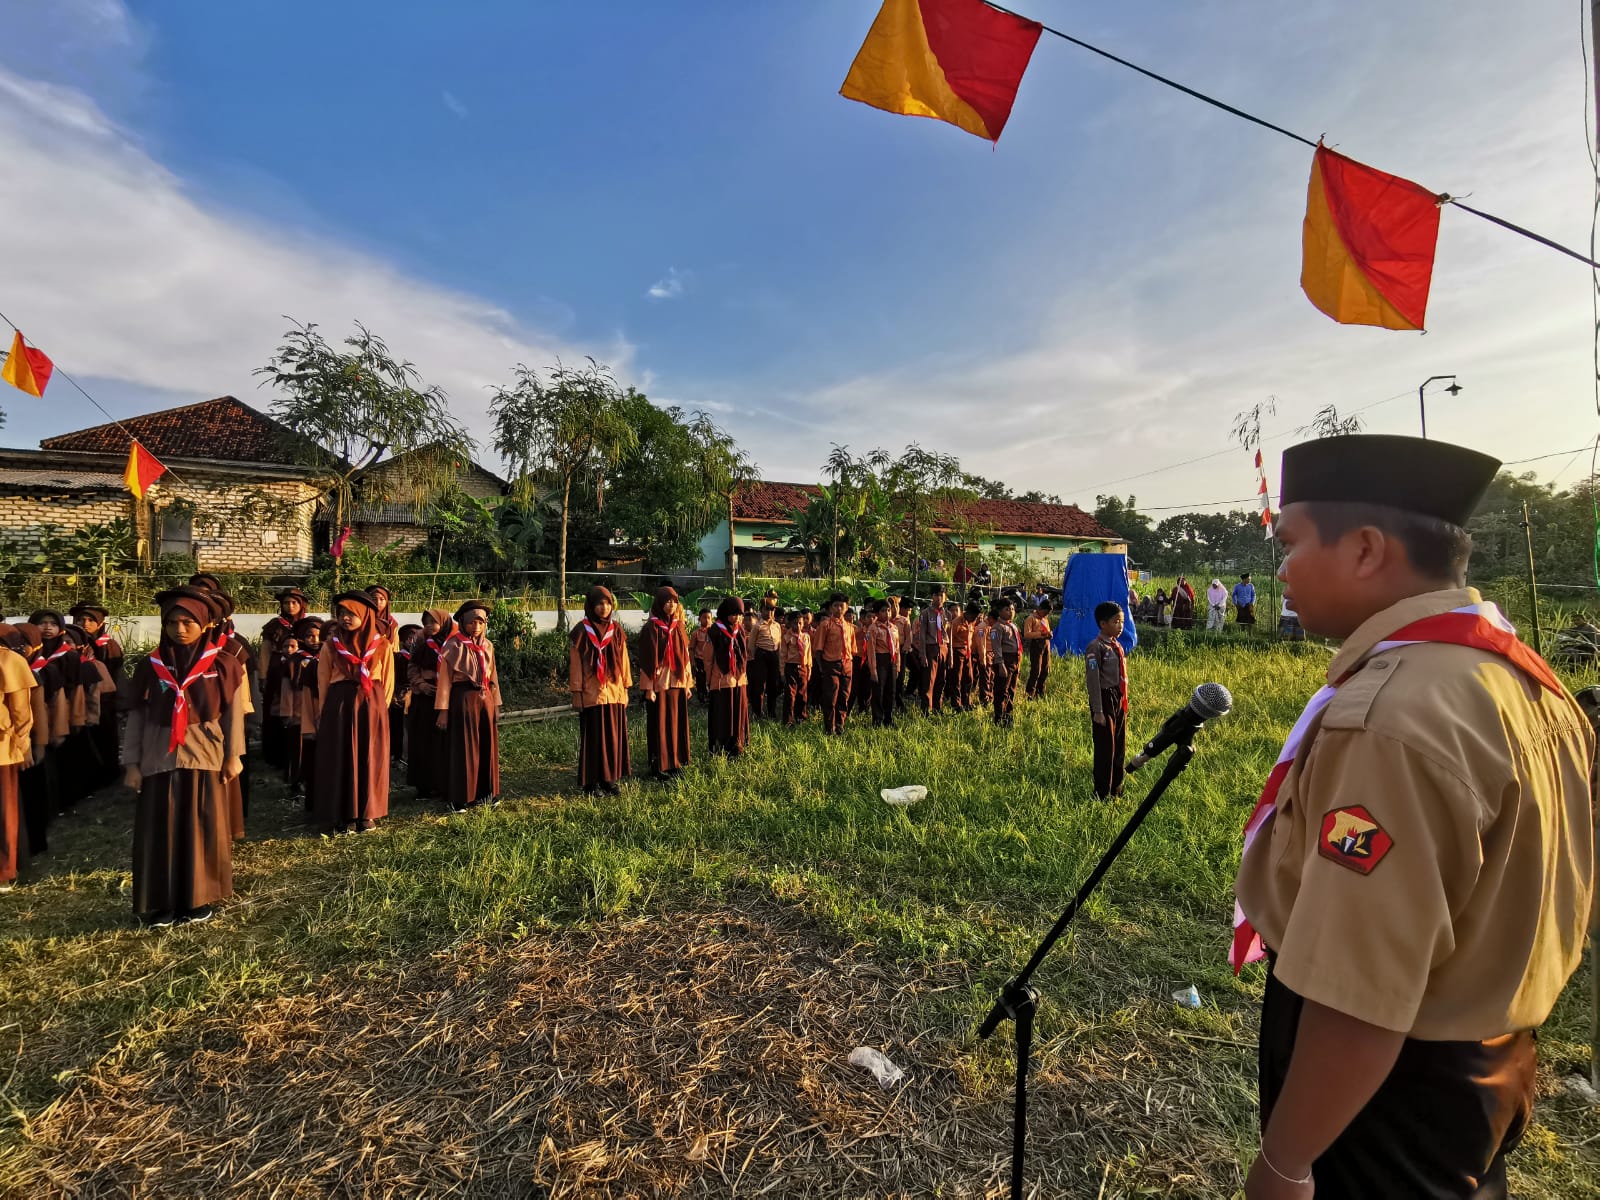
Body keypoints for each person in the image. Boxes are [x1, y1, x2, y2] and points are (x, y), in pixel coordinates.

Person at [1233, 434, 1595, 1200]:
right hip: (1489, 1062)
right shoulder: (1519, 682)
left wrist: (1285, 1162)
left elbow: (1359, 995)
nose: (1282, 569)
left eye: (1290, 543)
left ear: (1366, 549)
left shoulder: (1391, 716)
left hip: (1386, 1096)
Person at [123, 587, 246, 926]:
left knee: (201, 827)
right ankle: (160, 901)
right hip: (157, 756)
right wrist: (132, 763)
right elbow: (137, 716)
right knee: (158, 830)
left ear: (205, 624)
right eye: (172, 622)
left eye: (188, 622)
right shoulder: (151, 665)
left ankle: (197, 898)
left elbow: (233, 714)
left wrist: (233, 755)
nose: (179, 629)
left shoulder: (223, 664)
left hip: (204, 755)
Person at [310, 591, 395, 833]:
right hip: (340, 704)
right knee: (342, 755)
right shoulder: (331, 645)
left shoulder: (382, 645)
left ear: (365, 615)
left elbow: (388, 681)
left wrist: (380, 709)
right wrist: (324, 711)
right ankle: (343, 813)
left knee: (370, 756)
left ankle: (367, 814)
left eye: (351, 613)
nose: (345, 618)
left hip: (371, 703)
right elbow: (323, 679)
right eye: (341, 613)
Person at [438, 600, 503, 809]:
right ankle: (462, 797)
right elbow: (445, 681)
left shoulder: (488, 645)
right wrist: (443, 711)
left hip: (485, 700)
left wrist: (496, 704)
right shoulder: (452, 646)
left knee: (486, 746)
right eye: (471, 622)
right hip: (462, 699)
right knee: (464, 748)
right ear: (462, 622)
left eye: (480, 622)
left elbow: (493, 677)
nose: (476, 627)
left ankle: (486, 793)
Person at [638, 586, 692, 782]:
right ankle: (659, 765)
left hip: (677, 682)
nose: (671, 604)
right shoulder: (651, 628)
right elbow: (645, 660)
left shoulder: (678, 627)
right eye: (667, 601)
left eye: (674, 601)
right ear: (660, 603)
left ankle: (675, 763)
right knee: (659, 724)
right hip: (659, 684)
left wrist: (687, 684)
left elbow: (685, 657)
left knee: (676, 723)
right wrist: (648, 688)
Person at [68, 603, 122, 788]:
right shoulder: (71, 642)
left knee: (104, 737)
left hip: (104, 699)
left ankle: (108, 775)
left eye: (91, 620)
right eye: (81, 619)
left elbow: (116, 675)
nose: (85, 623)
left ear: (100, 623)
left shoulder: (109, 646)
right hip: (78, 698)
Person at [0, 629, 37, 891]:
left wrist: (22, 744)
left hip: (0, 747)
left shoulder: (8, 660)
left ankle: (3, 869)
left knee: (3, 811)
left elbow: (21, 711)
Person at [406, 610, 453, 800]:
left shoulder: (454, 642)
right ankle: (423, 787)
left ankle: (443, 785)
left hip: (447, 698)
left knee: (443, 744)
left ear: (444, 623)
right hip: (425, 698)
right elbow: (412, 667)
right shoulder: (421, 641)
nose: (429, 626)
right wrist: (421, 684)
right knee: (422, 743)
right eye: (426, 622)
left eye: (434, 622)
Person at [258, 588, 306, 768]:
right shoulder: (274, 625)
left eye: (294, 602)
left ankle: (296, 753)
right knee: (275, 711)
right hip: (276, 671)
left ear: (301, 605)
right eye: (287, 603)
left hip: (300, 672)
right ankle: (274, 754)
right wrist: (263, 675)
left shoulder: (307, 625)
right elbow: (265, 652)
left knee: (296, 711)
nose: (290, 606)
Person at [1086, 602, 1128, 801]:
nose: (1120, 625)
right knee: (1105, 747)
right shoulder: (1096, 648)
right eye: (1116, 621)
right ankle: (1102, 792)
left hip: (1117, 697)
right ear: (1103, 624)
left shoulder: (1116, 645)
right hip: (1104, 698)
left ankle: (1116, 788)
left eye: (1122, 621)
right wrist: (1098, 710)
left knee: (1119, 745)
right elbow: (1093, 681)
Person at [288, 616, 324, 813]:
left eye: (318, 636)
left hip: (317, 710)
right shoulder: (296, 659)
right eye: (309, 636)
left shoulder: (324, 658)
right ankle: (297, 781)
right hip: (299, 709)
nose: (314, 640)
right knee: (298, 749)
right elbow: (288, 687)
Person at [706, 597, 750, 755]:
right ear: (725, 613)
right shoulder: (715, 631)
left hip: (739, 680)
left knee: (739, 712)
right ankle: (721, 746)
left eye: (739, 614)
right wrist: (709, 680)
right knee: (724, 714)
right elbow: (708, 658)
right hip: (721, 681)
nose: (737, 618)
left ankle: (738, 744)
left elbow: (744, 654)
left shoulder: (740, 630)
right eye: (733, 614)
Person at [812, 593, 855, 735]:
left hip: (847, 664)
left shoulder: (850, 627)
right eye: (835, 605)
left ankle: (840, 725)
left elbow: (853, 649)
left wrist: (849, 663)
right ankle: (829, 727)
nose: (838, 608)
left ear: (846, 607)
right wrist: (821, 666)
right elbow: (818, 648)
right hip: (830, 664)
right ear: (830, 608)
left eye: (841, 606)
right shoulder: (825, 625)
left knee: (844, 696)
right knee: (831, 697)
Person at [913, 584, 951, 715]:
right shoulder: (925, 614)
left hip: (943, 647)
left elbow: (949, 635)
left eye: (941, 595)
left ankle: (937, 707)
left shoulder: (948, 614)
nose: (939, 598)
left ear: (945, 597)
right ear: (932, 597)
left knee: (941, 679)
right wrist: (922, 654)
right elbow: (922, 635)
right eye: (936, 595)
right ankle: (926, 709)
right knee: (929, 680)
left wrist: (949, 654)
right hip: (931, 647)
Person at [745, 599, 783, 720]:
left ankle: (771, 712)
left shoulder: (777, 626)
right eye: (767, 609)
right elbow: (751, 646)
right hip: (761, 655)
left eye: (772, 609)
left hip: (774, 655)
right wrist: (755, 658)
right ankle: (758, 712)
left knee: (773, 685)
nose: (770, 612)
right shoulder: (758, 626)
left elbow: (780, 643)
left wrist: (780, 657)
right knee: (760, 685)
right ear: (761, 610)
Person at [864, 599, 900, 728]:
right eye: (883, 611)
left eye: (888, 610)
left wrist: (898, 665)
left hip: (892, 660)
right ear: (877, 613)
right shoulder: (873, 629)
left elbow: (897, 648)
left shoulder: (894, 628)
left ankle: (888, 718)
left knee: (891, 691)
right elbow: (871, 650)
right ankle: (877, 719)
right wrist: (873, 669)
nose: (887, 613)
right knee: (879, 691)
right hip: (880, 660)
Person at [391, 622, 420, 766]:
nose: (412, 641)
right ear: (402, 640)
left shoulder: (421, 656)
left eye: (415, 638)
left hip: (417, 694)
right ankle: (399, 756)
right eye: (409, 638)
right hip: (400, 695)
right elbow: (393, 677)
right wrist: (395, 693)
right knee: (399, 727)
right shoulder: (397, 658)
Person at [989, 600, 1021, 726]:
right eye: (1007, 609)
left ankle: (1008, 713)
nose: (1011, 612)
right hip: (1004, 660)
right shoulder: (997, 627)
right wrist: (1000, 663)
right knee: (1002, 689)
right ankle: (999, 717)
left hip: (1015, 659)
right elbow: (996, 647)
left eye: (1012, 609)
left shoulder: (1012, 625)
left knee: (1011, 688)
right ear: (1000, 611)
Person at [780, 610, 812, 726]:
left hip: (803, 667)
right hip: (790, 667)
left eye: (800, 623)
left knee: (802, 694)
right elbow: (783, 655)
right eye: (795, 623)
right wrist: (782, 672)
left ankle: (801, 718)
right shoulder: (786, 637)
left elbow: (808, 654)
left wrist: (809, 669)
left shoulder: (806, 637)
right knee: (790, 694)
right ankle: (788, 720)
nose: (797, 626)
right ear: (790, 623)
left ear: (803, 624)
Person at [944, 600, 973, 712]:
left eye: (957, 610)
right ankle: (956, 703)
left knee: (968, 678)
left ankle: (966, 701)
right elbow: (949, 641)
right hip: (955, 652)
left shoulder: (968, 622)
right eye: (952, 610)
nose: (954, 612)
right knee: (955, 678)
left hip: (967, 652)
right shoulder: (952, 624)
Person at [1023, 601, 1053, 700]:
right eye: (1045, 612)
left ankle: (1040, 693)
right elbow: (1027, 634)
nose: (1046, 614)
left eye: (1048, 613)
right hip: (1036, 645)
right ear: (1040, 609)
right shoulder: (1031, 618)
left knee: (1045, 669)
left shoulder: (1045, 619)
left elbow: (1047, 631)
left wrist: (1049, 634)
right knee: (1036, 670)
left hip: (1046, 645)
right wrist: (1040, 634)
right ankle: (1029, 694)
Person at [689, 607, 713, 706]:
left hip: (711, 661)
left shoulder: (714, 632)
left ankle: (711, 698)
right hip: (700, 660)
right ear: (699, 619)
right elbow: (691, 648)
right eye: (704, 617)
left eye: (709, 618)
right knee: (700, 680)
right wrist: (692, 662)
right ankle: (702, 698)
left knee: (711, 679)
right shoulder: (696, 633)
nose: (706, 620)